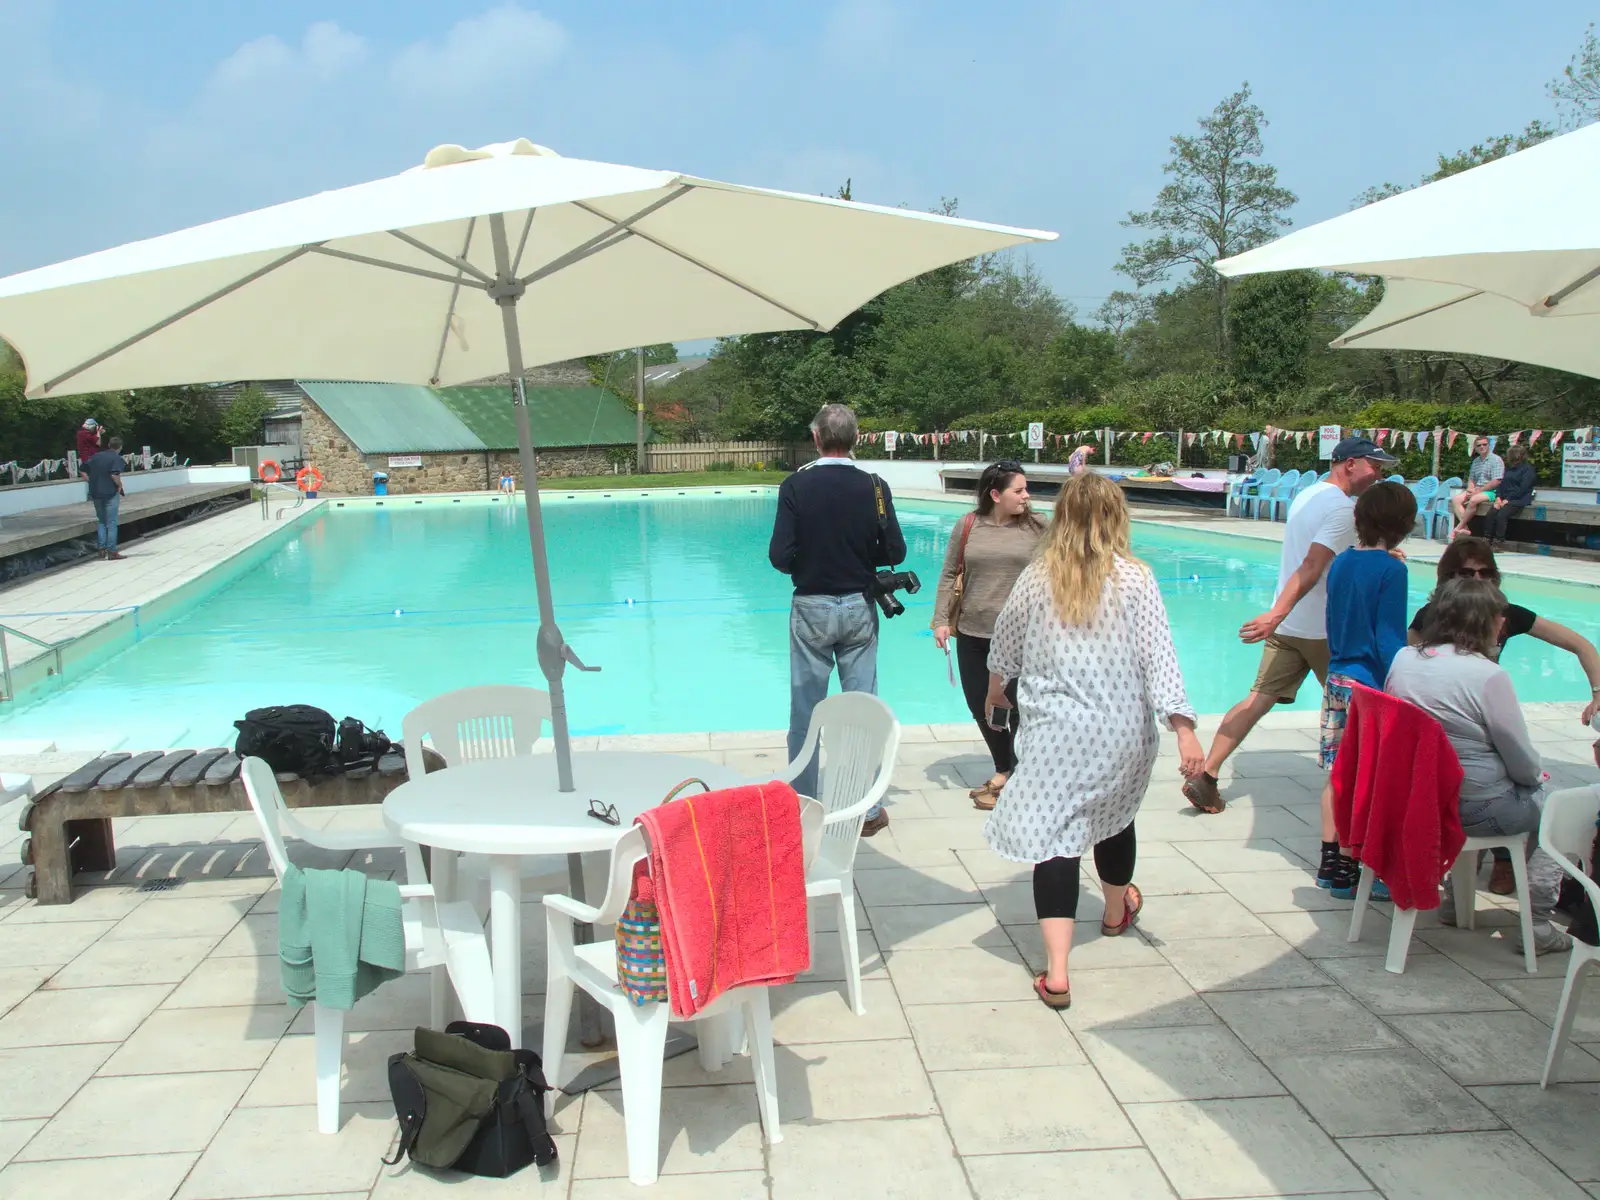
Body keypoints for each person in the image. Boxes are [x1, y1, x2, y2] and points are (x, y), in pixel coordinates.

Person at [983, 472, 1203, 1008]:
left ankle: (1057, 972)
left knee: (1055, 840)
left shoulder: (1038, 578)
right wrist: (1185, 730)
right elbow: (1161, 660)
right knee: (1114, 816)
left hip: (1057, 735)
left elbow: (1004, 646)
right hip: (1123, 733)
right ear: (1115, 517)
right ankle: (1112, 913)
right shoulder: (1136, 578)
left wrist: (996, 694)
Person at [1182, 436, 1396, 813]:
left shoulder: (1309, 494)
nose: (1379, 475)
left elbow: (1326, 554)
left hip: (1288, 627)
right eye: (1375, 467)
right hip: (1322, 629)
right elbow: (1312, 565)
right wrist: (1277, 614)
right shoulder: (1343, 509)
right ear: (1350, 464)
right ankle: (1370, 797)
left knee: (1257, 699)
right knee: (1359, 712)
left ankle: (1208, 777)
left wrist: (1278, 616)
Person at [1387, 578, 1571, 953]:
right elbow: (1521, 761)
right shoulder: (1486, 675)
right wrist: (1537, 779)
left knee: (1482, 784)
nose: (1503, 627)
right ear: (1485, 621)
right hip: (1471, 807)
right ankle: (1535, 923)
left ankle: (1457, 902)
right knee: (1556, 809)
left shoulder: (1404, 659)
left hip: (1418, 799)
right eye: (1500, 619)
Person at [1410, 536, 1600, 893]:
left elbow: (1580, 644)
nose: (1477, 581)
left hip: (1478, 727)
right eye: (1467, 573)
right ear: (1448, 577)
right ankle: (1537, 912)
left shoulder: (1506, 616)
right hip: (1457, 734)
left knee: (1505, 770)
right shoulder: (1431, 621)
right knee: (1534, 790)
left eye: (1486, 573)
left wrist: (1598, 691)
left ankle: (1482, 874)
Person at [769, 404, 906, 836]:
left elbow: (779, 555)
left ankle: (802, 807)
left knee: (805, 712)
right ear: (856, 439)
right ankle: (865, 809)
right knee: (862, 709)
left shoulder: (796, 485)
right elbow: (896, 552)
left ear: (815, 437)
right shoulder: (875, 486)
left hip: (811, 604)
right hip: (860, 606)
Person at [1316, 481, 1417, 895]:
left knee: (1338, 774)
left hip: (1337, 676)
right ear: (1403, 525)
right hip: (1371, 685)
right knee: (1374, 778)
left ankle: (1333, 868)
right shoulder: (1393, 570)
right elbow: (1389, 640)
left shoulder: (1340, 562)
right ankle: (1370, 868)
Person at [930, 461, 1045, 809]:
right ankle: (1004, 767)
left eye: (1026, 489)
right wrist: (940, 620)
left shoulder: (1039, 528)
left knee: (1019, 711)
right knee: (982, 706)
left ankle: (1021, 776)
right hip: (972, 633)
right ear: (995, 495)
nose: (1027, 496)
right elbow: (950, 573)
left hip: (1022, 639)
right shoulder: (968, 526)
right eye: (1019, 490)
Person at [1450, 436, 1504, 538]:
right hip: (1477, 489)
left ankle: (1458, 527)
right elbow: (1471, 479)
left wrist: (1478, 491)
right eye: (1479, 445)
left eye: (1484, 444)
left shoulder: (1496, 460)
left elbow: (1497, 481)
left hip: (1491, 491)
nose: (1482, 447)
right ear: (1475, 447)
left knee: (1474, 500)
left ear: (1489, 445)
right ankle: (1465, 528)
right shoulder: (1476, 461)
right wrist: (1470, 490)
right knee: (1456, 499)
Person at [1483, 443, 1535, 545]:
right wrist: (1498, 497)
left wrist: (1508, 499)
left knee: (1502, 514)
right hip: (1504, 497)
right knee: (1492, 513)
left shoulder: (1528, 470)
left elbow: (1523, 488)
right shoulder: (1508, 469)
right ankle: (1486, 538)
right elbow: (1501, 484)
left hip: (1519, 498)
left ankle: (1499, 540)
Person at [85, 435, 127, 560]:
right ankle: (112, 551)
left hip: (96, 492)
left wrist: (91, 481)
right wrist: (120, 485)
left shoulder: (96, 457)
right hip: (110, 492)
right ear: (120, 447)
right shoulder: (117, 458)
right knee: (112, 522)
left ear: (109, 445)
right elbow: (114, 475)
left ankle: (101, 549)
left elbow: (83, 470)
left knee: (102, 521)